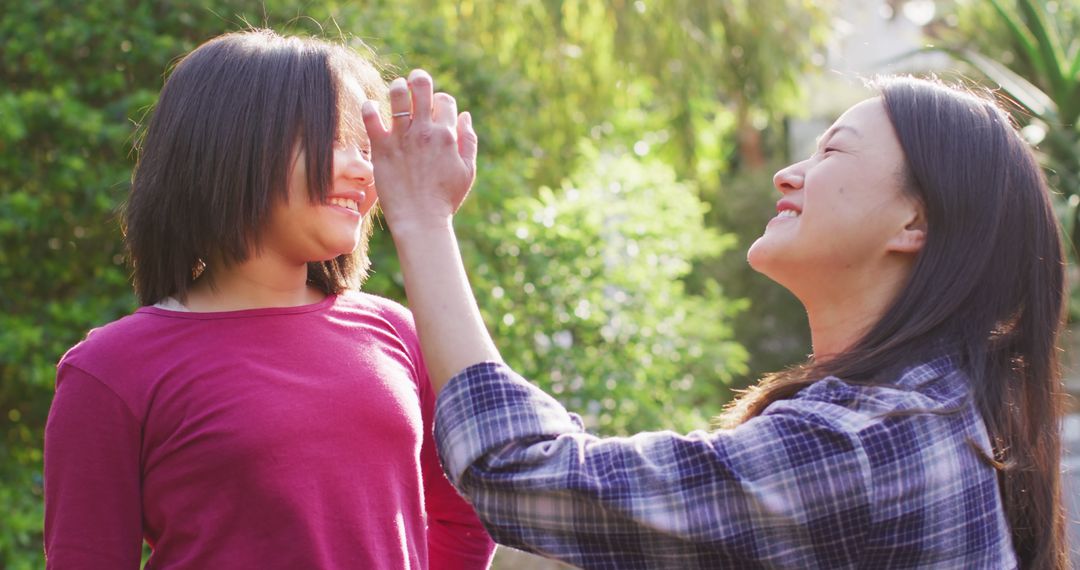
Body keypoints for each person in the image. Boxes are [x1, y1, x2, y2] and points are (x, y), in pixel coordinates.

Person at [362, 70, 1069, 568]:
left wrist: (422, 219)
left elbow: (524, 474)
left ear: (915, 218)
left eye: (832, 151)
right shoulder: (941, 406)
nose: (786, 173)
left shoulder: (863, 445)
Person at [43, 31, 493, 569]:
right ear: (232, 145)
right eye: (336, 142)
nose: (364, 170)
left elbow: (467, 514)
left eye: (368, 150)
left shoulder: (400, 333)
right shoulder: (111, 371)